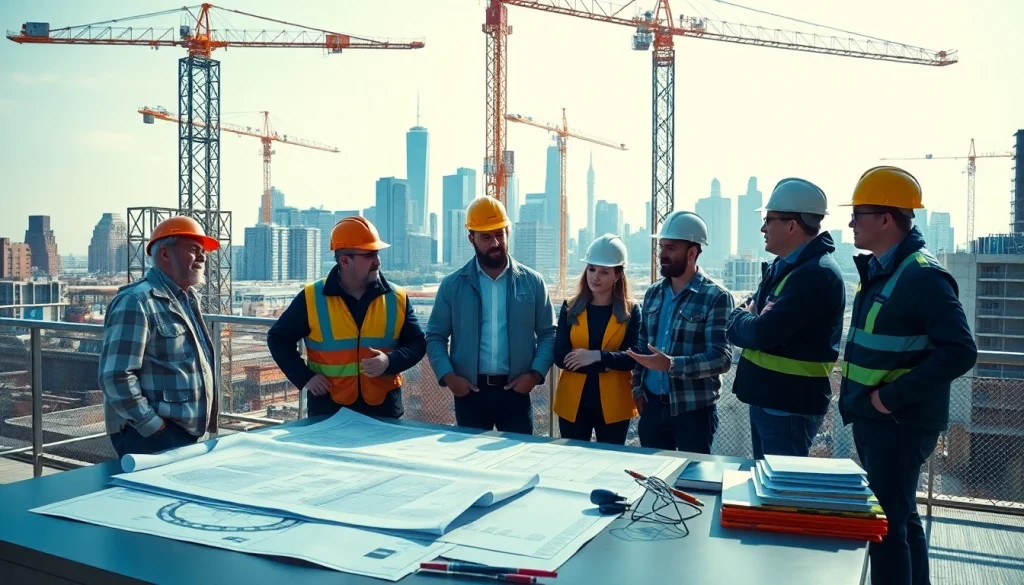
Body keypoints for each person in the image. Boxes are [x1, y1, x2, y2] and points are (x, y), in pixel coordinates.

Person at [839, 166, 977, 585]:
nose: (851, 223)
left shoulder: (921, 276)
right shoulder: (885, 269)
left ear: (886, 219)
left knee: (885, 528)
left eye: (858, 214)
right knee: (900, 517)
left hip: (897, 423)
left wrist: (890, 398)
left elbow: (960, 350)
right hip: (879, 420)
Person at [727, 178, 846, 458]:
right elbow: (744, 319)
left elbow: (760, 333)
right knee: (768, 481)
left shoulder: (816, 274)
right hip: (771, 400)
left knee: (782, 484)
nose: (763, 228)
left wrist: (744, 319)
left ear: (792, 226)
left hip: (788, 406)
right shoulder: (786, 267)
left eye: (768, 220)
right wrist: (746, 318)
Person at [267, 216, 426, 419]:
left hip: (384, 408)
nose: (377, 261)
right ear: (345, 261)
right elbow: (278, 339)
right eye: (369, 255)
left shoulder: (396, 298)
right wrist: (305, 377)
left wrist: (389, 361)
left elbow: (418, 343)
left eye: (377, 253)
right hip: (329, 409)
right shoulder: (312, 297)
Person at [426, 196, 556, 434]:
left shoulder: (533, 282)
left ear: (508, 232)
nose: (495, 243)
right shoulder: (452, 285)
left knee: (518, 455)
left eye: (500, 234)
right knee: (470, 456)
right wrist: (449, 377)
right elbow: (435, 336)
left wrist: (534, 374)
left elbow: (549, 334)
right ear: (471, 239)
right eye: (486, 237)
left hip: (516, 392)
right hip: (470, 393)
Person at [98, 216, 221, 458]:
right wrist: (154, 427)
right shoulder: (136, 301)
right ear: (165, 253)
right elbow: (116, 376)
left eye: (203, 251)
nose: (203, 257)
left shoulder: (187, 299)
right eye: (193, 249)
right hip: (151, 437)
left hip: (183, 433)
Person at [627, 211, 734, 454]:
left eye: (671, 248)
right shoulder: (653, 293)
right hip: (652, 407)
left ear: (692, 253)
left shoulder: (716, 296)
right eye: (661, 247)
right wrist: (637, 389)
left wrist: (671, 365)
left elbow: (721, 358)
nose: (662, 254)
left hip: (693, 412)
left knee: (693, 474)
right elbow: (642, 346)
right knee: (652, 475)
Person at [552, 234, 641, 445]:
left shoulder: (631, 311)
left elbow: (633, 357)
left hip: (614, 404)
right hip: (572, 404)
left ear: (618, 275)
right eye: (591, 269)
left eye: (604, 272)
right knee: (572, 459)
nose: (595, 277)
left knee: (611, 460)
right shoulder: (570, 307)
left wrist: (595, 356)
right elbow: (560, 356)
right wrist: (608, 363)